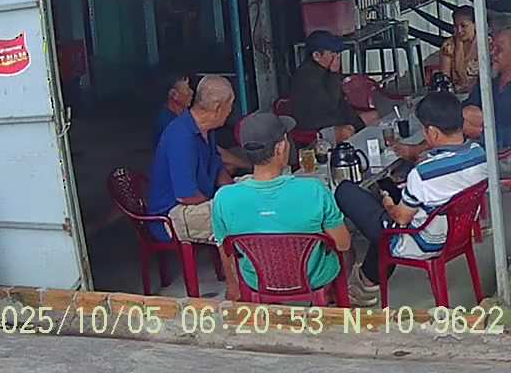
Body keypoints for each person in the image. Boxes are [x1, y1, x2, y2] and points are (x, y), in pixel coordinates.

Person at [334, 92, 487, 306]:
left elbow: (401, 218)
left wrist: (387, 202)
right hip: (458, 232)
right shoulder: (478, 153)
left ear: (433, 132)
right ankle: (368, 278)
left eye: (425, 130)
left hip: (424, 241)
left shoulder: (424, 173)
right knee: (388, 190)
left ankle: (358, 279)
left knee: (346, 192)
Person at [212, 113, 352, 301]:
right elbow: (343, 243)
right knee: (348, 252)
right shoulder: (314, 190)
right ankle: (331, 299)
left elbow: (224, 249)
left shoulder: (224, 198)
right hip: (312, 279)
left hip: (257, 281)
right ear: (280, 147)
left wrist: (233, 286)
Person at [147, 76, 236, 243]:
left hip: (199, 201)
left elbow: (217, 167)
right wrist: (221, 204)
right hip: (172, 215)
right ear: (217, 108)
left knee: (251, 191)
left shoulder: (207, 129)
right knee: (243, 216)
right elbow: (186, 196)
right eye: (230, 105)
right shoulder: (181, 137)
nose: (231, 110)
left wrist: (236, 193)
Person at [290, 31, 379, 143]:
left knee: (373, 117)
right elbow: (330, 105)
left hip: (333, 118)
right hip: (315, 127)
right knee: (347, 131)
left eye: (337, 54)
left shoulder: (325, 70)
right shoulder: (307, 76)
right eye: (332, 53)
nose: (337, 57)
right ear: (317, 56)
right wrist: (334, 74)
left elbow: (342, 103)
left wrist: (356, 120)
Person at [438, 6, 479, 94]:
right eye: (456, 26)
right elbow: (446, 78)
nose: (459, 30)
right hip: (456, 94)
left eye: (463, 26)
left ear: (475, 24)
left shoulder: (486, 44)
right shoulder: (449, 46)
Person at [152, 71, 193, 149]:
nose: (191, 92)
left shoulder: (185, 115)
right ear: (174, 95)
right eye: (187, 89)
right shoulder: (168, 124)